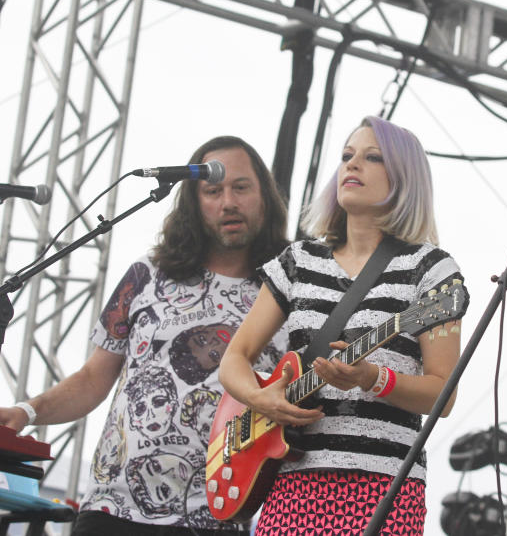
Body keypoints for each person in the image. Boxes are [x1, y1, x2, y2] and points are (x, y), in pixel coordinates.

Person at [0, 136, 290, 535]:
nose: (228, 202)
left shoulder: (289, 292)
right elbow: (92, 379)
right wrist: (28, 412)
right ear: (194, 201)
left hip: (217, 514)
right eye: (213, 190)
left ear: (264, 197)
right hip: (112, 508)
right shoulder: (148, 274)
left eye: (241, 187)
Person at [219, 115, 465, 535]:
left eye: (372, 158)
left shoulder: (430, 269)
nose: (352, 165)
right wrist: (262, 401)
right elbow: (234, 361)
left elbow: (443, 396)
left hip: (384, 487)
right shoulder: (297, 261)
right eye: (347, 156)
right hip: (293, 481)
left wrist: (374, 378)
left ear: (404, 177)